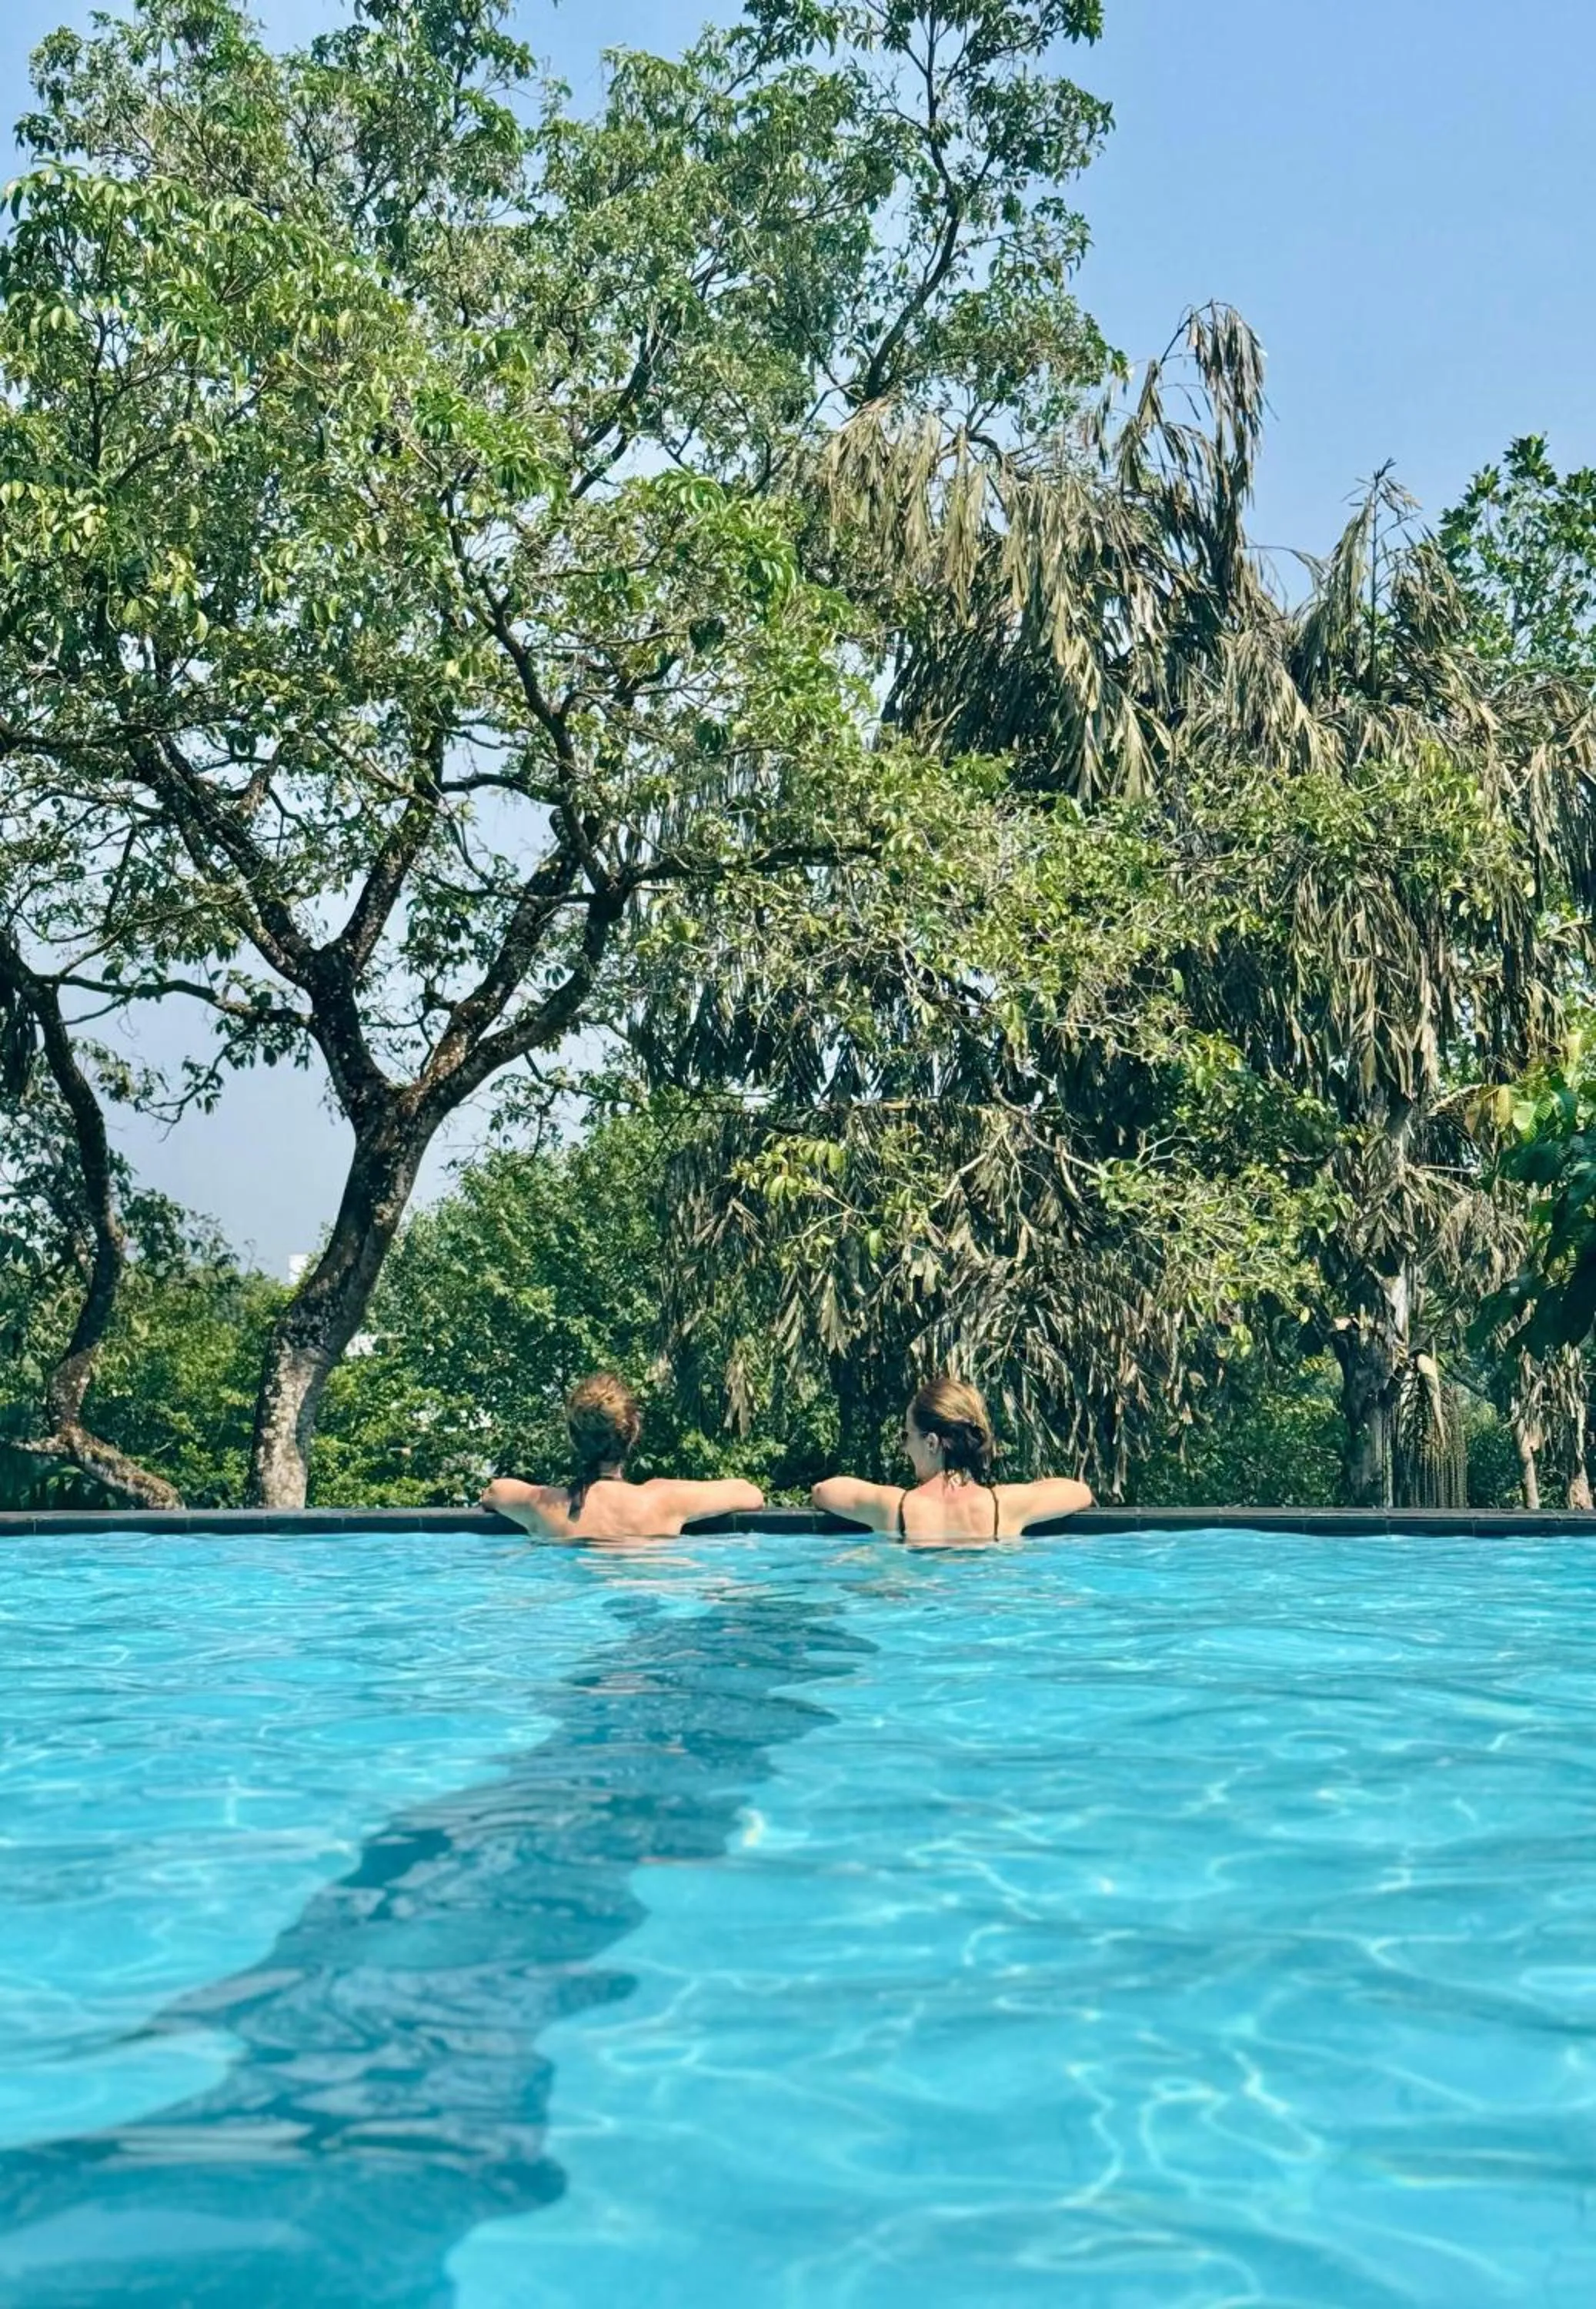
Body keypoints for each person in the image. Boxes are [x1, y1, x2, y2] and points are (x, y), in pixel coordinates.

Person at [482, 1372, 764, 1542]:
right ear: (633, 1431)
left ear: (573, 1437)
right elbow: (750, 1493)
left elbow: (495, 1491)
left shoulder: (545, 1506)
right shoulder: (664, 1499)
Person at [811, 1375, 1092, 1545]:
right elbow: (1079, 1493)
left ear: (931, 1443)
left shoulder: (894, 1507)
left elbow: (823, 1491)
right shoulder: (1004, 1505)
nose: (904, 1449)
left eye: (906, 1436)